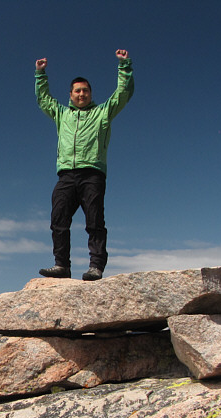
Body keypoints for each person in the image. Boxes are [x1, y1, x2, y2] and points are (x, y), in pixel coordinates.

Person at [35, 49, 134, 280]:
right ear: (70, 95)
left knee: (95, 222)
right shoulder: (62, 114)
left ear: (90, 94)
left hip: (92, 174)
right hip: (66, 175)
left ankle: (96, 266)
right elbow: (44, 100)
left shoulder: (102, 113)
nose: (82, 94)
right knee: (58, 220)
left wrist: (124, 66)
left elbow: (123, 93)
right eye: (77, 91)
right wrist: (41, 74)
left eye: (85, 91)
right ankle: (62, 265)